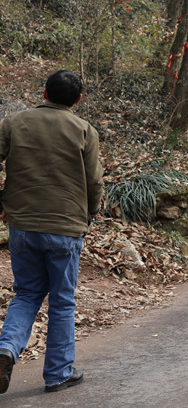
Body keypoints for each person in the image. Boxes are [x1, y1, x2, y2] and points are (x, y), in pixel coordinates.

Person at [0, 70, 104, 394]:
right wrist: (92, 211)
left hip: (22, 225)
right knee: (61, 300)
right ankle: (58, 373)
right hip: (65, 228)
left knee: (27, 293)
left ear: (44, 93)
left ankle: (6, 349)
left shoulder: (14, 123)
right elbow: (94, 182)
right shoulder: (85, 131)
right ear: (78, 100)